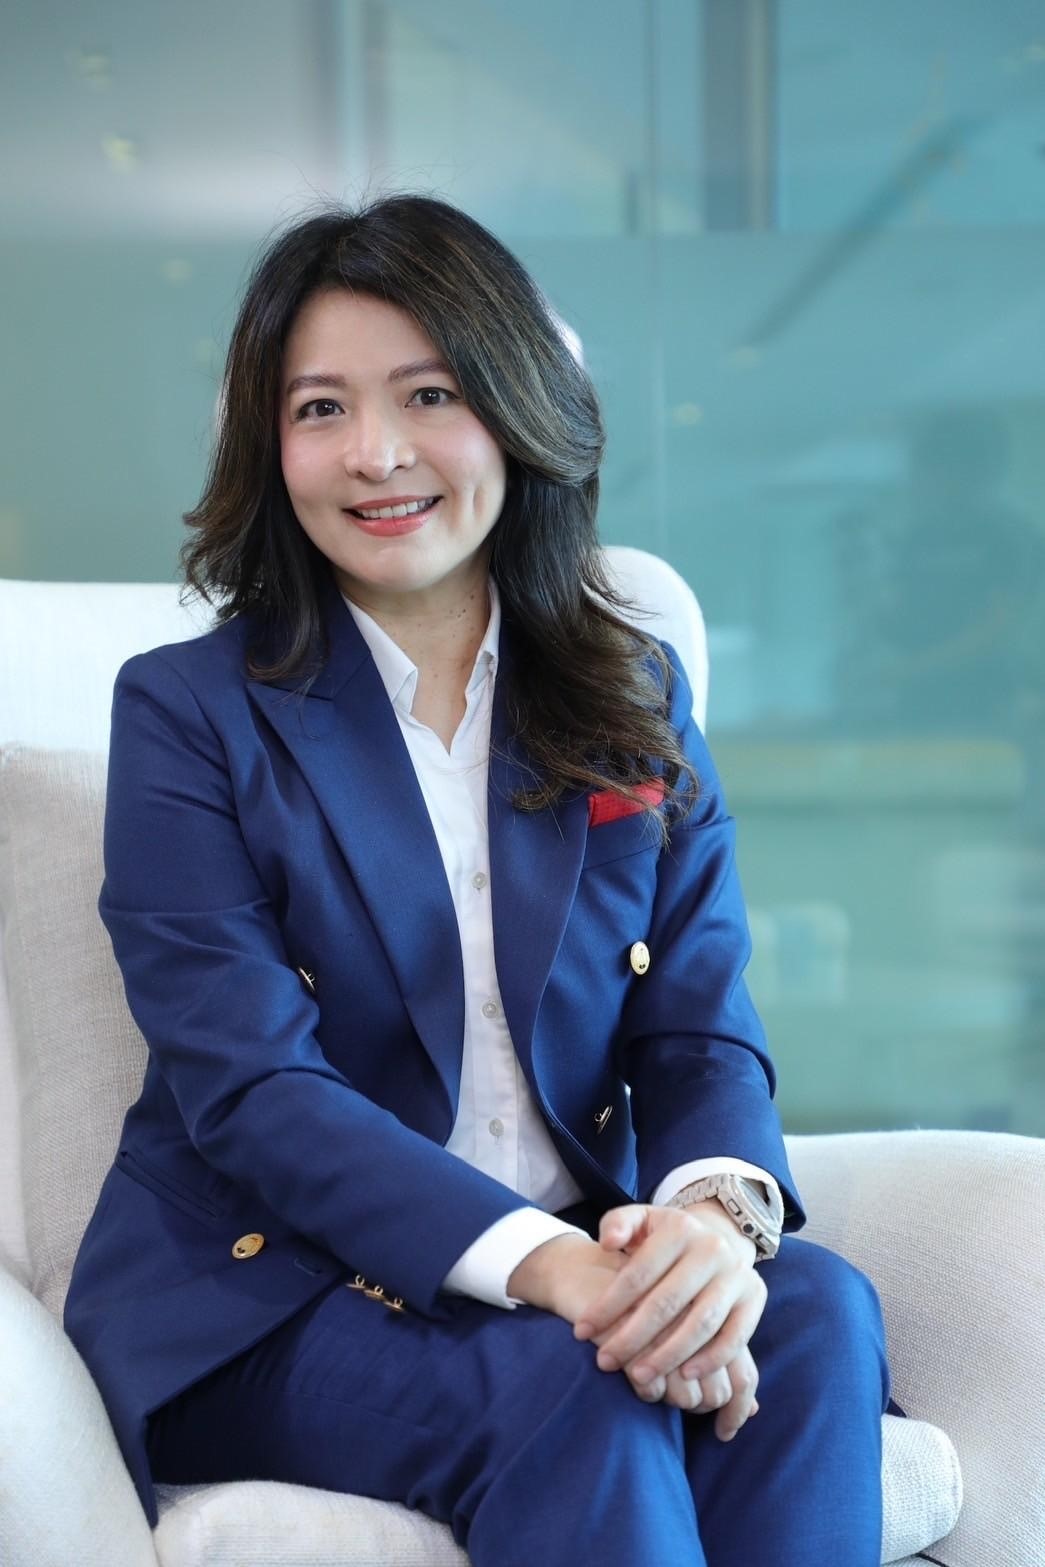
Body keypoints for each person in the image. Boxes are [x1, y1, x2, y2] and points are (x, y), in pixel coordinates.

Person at [63, 194, 890, 1566]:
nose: (376, 452)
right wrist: (555, 1271)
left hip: (580, 1241)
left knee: (814, 1315)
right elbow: (254, 1090)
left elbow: (697, 1024)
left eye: (429, 394)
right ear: (269, 446)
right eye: (319, 408)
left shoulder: (632, 692)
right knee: (575, 1385)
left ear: (514, 409)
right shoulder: (188, 712)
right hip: (271, 1295)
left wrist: (709, 1228)